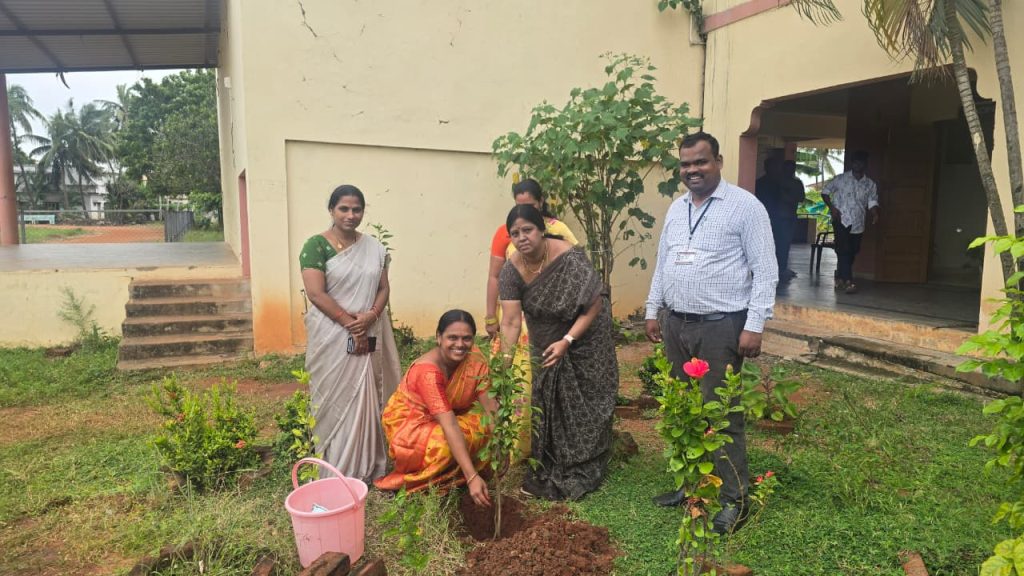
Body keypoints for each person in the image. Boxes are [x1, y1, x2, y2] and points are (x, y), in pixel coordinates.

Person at [645, 132, 778, 534]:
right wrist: (653, 310)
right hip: (676, 324)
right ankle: (691, 487)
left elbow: (765, 270)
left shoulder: (745, 207)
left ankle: (736, 499)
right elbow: (664, 262)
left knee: (720, 413)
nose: (692, 170)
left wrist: (754, 325)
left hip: (721, 326)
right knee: (683, 409)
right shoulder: (677, 208)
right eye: (686, 164)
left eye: (701, 162)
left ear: (718, 161)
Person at [498, 204, 618, 501]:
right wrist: (504, 365)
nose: (522, 238)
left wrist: (567, 340)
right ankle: (551, 460)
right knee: (548, 399)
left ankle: (584, 458)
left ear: (542, 230)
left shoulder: (569, 258)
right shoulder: (511, 270)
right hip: (546, 340)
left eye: (527, 230)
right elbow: (511, 321)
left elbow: (595, 303)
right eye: (515, 233)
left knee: (586, 398)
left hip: (585, 334)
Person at [299, 184, 401, 483]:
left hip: (368, 328)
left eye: (357, 209)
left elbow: (383, 288)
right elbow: (316, 293)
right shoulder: (316, 246)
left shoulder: (374, 248)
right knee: (333, 396)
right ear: (331, 210)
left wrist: (370, 316)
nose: (350, 215)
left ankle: (365, 466)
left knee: (367, 393)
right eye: (344, 208)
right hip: (331, 335)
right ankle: (334, 467)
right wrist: (350, 323)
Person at [484, 178, 578, 451]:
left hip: (550, 318)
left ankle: (547, 443)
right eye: (519, 204)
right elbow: (494, 276)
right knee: (514, 376)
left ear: (541, 202)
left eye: (531, 206)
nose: (525, 211)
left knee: (545, 378)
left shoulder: (557, 229)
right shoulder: (505, 232)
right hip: (514, 316)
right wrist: (490, 316)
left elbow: (575, 271)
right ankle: (514, 444)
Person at [374, 310, 496, 507]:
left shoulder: (474, 360)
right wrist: (472, 476)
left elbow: (491, 410)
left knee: (484, 427)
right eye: (452, 338)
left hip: (447, 419)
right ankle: (419, 483)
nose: (460, 344)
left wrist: (501, 446)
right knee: (444, 445)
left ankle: (459, 475)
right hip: (411, 429)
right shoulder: (428, 372)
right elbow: (449, 425)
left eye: (466, 338)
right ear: (439, 337)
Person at [822, 150, 879, 294]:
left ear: (865, 165)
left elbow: (872, 201)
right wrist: (832, 208)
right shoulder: (841, 179)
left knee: (853, 251)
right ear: (852, 163)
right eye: (855, 162)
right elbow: (825, 192)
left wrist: (874, 213)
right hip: (841, 219)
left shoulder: (869, 184)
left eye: (861, 163)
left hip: (858, 222)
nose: (857, 165)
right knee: (845, 249)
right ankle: (848, 281)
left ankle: (840, 276)